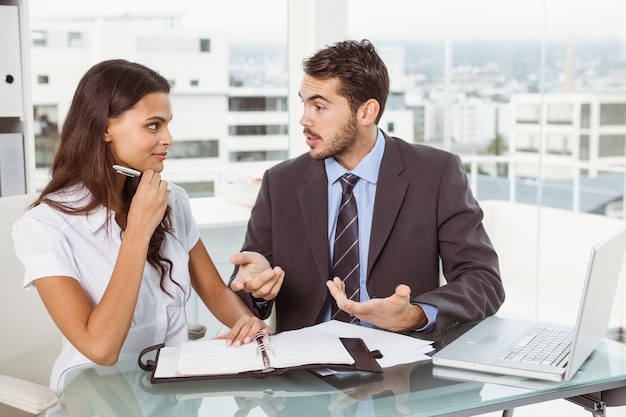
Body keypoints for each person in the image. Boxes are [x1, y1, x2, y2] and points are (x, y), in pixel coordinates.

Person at [12, 59, 270, 390]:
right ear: (105, 128)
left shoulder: (172, 200)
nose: (168, 138)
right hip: (95, 399)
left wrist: (248, 324)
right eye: (153, 126)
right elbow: (100, 348)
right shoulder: (44, 226)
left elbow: (216, 292)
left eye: (167, 125)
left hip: (173, 393)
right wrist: (136, 232)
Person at [229, 39, 505, 335]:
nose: (304, 119)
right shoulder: (280, 182)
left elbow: (483, 281)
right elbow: (247, 288)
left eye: (319, 106)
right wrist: (256, 291)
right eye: (304, 103)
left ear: (366, 112)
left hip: (402, 368)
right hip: (305, 368)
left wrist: (416, 314)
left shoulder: (436, 174)